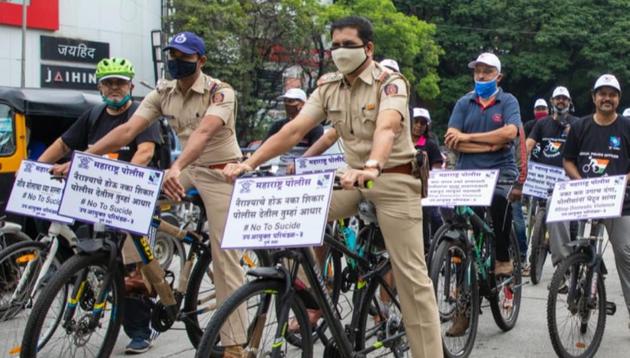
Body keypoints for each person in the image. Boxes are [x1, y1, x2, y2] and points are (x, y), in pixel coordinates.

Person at [224, 16, 442, 358]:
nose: (340, 51)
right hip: (349, 179)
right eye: (335, 45)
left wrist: (372, 165)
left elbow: (386, 128)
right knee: (294, 216)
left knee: (413, 279)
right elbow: (294, 131)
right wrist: (248, 163)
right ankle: (313, 296)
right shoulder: (327, 86)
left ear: (368, 49)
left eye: (349, 45)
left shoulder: (390, 82)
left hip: (394, 179)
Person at [51, 32, 248, 356]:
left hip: (221, 172)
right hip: (185, 169)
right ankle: (142, 274)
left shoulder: (219, 92)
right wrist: (83, 158)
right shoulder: (163, 92)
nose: (176, 62)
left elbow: (204, 132)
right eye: (172, 55)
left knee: (225, 256)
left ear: (201, 60)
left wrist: (176, 165)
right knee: (128, 201)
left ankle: (234, 345)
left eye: (184, 57)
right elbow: (128, 130)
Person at [39, 57, 162, 354]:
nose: (114, 88)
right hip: (96, 200)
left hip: (134, 202)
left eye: (120, 82)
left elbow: (145, 152)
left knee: (132, 269)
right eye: (108, 83)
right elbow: (63, 144)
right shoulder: (93, 115)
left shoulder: (141, 114)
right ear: (99, 86)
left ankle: (139, 331)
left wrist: (124, 178)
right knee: (90, 254)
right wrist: (34, 167)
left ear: (131, 85)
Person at [444, 52, 524, 336]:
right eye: (477, 71)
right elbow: (452, 139)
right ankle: (463, 310)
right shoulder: (464, 102)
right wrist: (487, 145)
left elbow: (510, 133)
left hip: (501, 172)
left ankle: (503, 257)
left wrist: (468, 139)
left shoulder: (509, 101)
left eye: (487, 71)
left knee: (500, 200)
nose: (481, 76)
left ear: (498, 76)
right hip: (469, 174)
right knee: (460, 235)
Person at [562, 74, 630, 327]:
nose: (607, 98)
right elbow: (568, 160)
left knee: (625, 253)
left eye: (612, 94)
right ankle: (574, 279)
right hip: (585, 197)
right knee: (574, 243)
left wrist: (623, 181)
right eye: (602, 94)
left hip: (620, 201)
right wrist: (580, 181)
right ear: (594, 97)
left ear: (618, 99)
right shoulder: (580, 126)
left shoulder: (626, 127)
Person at [526, 86, 579, 270]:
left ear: (570, 102)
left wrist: (572, 133)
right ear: (552, 101)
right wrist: (522, 160)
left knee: (571, 226)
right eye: (558, 98)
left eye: (565, 98)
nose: (561, 101)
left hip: (567, 180)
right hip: (544, 180)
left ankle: (569, 262)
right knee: (539, 214)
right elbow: (529, 144)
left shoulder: (577, 123)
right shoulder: (542, 124)